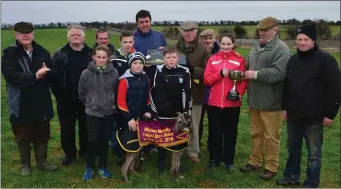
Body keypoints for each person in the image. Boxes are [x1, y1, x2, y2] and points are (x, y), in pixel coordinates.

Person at [276, 24, 341, 188]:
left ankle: (311, 182)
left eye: (306, 39)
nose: (302, 43)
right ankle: (291, 176)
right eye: (299, 39)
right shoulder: (293, 60)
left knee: (313, 153)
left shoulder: (326, 60)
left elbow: (335, 88)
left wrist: (330, 113)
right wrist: (285, 107)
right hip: (294, 114)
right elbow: (287, 85)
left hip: (315, 116)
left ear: (313, 41)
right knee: (293, 149)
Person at [1, 22, 58, 175]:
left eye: (28, 33)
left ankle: (42, 162)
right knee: (23, 134)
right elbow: (11, 77)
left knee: (42, 133)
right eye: (21, 33)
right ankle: (26, 164)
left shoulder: (42, 51)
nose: (25, 36)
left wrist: (49, 71)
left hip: (41, 99)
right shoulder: (9, 53)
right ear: (16, 35)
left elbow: (52, 70)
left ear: (33, 34)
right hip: (20, 100)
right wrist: (34, 76)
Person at [240, 16, 291, 180]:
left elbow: (278, 73)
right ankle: (254, 161)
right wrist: (244, 72)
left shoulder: (281, 49)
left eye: (266, 30)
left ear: (275, 30)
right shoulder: (257, 46)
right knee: (255, 133)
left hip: (271, 101)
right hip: (255, 100)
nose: (262, 33)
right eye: (260, 30)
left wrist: (255, 74)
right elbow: (250, 66)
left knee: (271, 136)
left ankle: (271, 166)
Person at [203, 33, 248, 171]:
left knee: (230, 133)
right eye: (223, 44)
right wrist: (220, 74)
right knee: (214, 133)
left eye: (229, 44)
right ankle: (214, 158)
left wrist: (238, 93)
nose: (226, 46)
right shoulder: (213, 59)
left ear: (233, 44)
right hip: (214, 103)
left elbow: (243, 80)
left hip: (232, 104)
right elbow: (206, 80)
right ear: (219, 43)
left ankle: (229, 161)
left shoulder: (239, 60)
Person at [51, 24, 93, 166]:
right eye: (73, 35)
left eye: (78, 35)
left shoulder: (90, 53)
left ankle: (85, 151)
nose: (76, 37)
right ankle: (69, 154)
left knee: (85, 127)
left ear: (84, 37)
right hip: (65, 99)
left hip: (86, 99)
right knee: (67, 127)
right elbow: (53, 76)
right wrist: (59, 95)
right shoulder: (59, 54)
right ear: (68, 37)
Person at [78, 46, 119, 181]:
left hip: (108, 113)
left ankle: (102, 166)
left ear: (108, 58)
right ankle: (89, 167)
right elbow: (82, 93)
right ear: (93, 57)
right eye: (98, 57)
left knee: (104, 141)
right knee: (92, 140)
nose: (101, 60)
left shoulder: (114, 73)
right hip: (93, 113)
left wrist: (111, 104)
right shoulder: (86, 73)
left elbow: (116, 91)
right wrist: (91, 104)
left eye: (104, 57)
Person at [149, 46, 192, 173]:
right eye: (168, 57)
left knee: (178, 138)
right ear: (163, 59)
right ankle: (161, 162)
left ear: (178, 58)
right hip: (163, 113)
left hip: (179, 113)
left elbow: (188, 92)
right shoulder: (158, 71)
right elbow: (154, 92)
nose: (171, 60)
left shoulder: (184, 71)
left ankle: (176, 164)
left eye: (173, 57)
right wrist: (155, 111)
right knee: (163, 138)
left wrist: (187, 111)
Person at [175, 20, 211, 163]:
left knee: (194, 123)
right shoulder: (175, 47)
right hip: (177, 91)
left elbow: (209, 71)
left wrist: (193, 70)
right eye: (185, 30)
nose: (188, 33)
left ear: (196, 31)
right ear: (182, 31)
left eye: (191, 30)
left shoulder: (203, 49)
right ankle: (176, 147)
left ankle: (193, 151)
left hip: (196, 91)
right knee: (178, 121)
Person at [133, 9, 168, 155]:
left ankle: (155, 142)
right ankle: (140, 143)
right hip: (139, 81)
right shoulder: (133, 37)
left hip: (157, 80)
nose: (144, 24)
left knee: (156, 111)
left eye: (146, 21)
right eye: (141, 22)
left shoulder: (159, 36)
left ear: (150, 21)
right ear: (137, 23)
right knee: (141, 110)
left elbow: (166, 54)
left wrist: (163, 52)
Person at [116, 52, 152, 165]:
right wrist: (129, 118)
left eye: (140, 63)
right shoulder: (124, 80)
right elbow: (120, 101)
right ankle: (124, 160)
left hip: (141, 114)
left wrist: (148, 110)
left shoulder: (146, 78)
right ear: (130, 64)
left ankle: (138, 160)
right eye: (135, 63)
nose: (138, 65)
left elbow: (148, 97)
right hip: (128, 116)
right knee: (128, 138)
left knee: (140, 138)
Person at [198, 29, 220, 147]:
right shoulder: (198, 50)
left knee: (214, 120)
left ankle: (212, 145)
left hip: (215, 90)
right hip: (200, 90)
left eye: (210, 38)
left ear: (215, 38)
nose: (207, 41)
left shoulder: (220, 52)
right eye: (205, 39)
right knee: (198, 120)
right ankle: (197, 142)